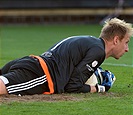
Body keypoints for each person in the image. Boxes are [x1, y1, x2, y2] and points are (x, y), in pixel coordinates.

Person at [0, 18, 133, 96]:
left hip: (32, 63)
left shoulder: (89, 41)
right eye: (126, 42)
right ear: (116, 40)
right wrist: (99, 88)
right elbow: (72, 86)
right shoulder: (98, 51)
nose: (127, 49)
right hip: (41, 75)